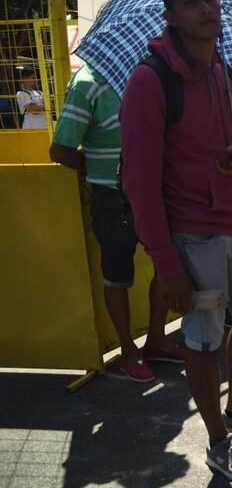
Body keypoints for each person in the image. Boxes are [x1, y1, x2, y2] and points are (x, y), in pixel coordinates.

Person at [120, 0, 232, 483]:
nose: (206, 7)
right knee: (203, 341)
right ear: (170, 15)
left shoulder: (224, 72)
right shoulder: (150, 81)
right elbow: (138, 183)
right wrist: (166, 265)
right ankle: (218, 440)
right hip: (191, 236)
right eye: (191, 1)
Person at [50, 64, 184, 382]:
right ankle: (128, 351)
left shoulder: (145, 77)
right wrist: (96, 166)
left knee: (167, 265)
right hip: (112, 198)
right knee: (117, 275)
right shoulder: (86, 84)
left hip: (152, 190)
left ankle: (156, 340)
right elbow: (60, 149)